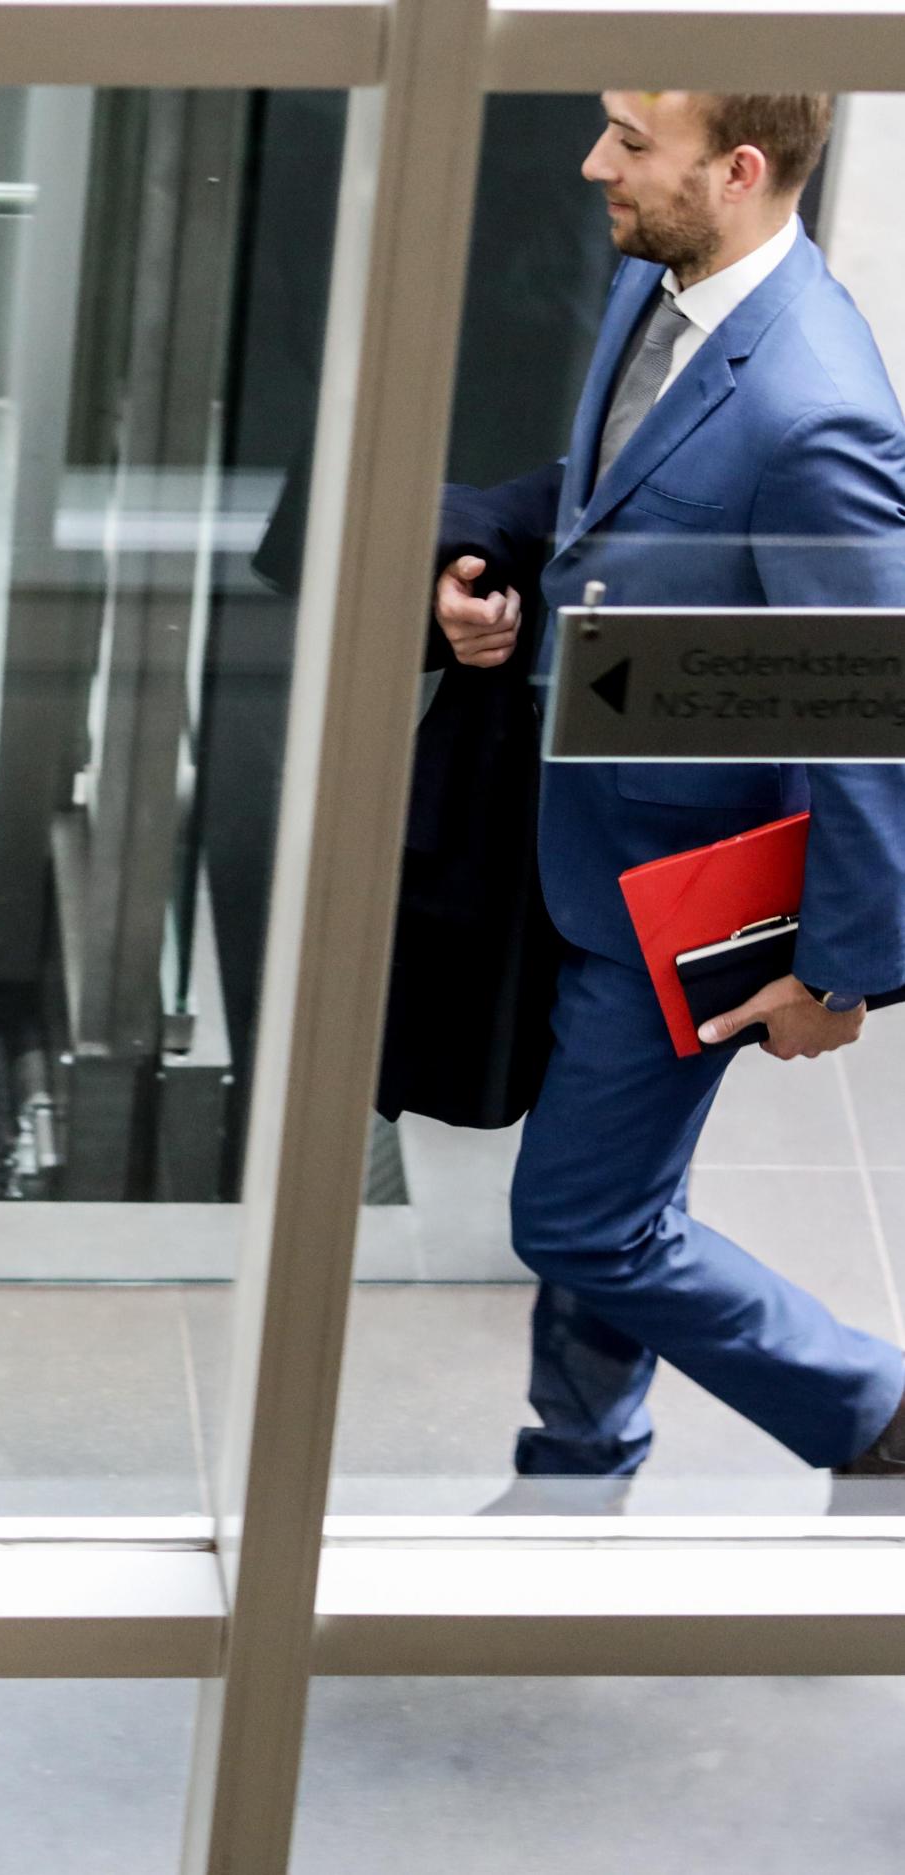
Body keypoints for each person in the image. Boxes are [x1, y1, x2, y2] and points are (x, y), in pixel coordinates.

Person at [429, 93, 905, 1506]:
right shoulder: (663, 276)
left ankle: (871, 1406)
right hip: (590, 825)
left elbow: (870, 721)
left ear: (738, 170)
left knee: (583, 1219)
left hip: (688, 895)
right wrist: (490, 553)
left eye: (634, 140)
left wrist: (845, 970)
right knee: (621, 1189)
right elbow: (604, 502)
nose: (596, 165)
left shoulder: (817, 414)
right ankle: (576, 1458)